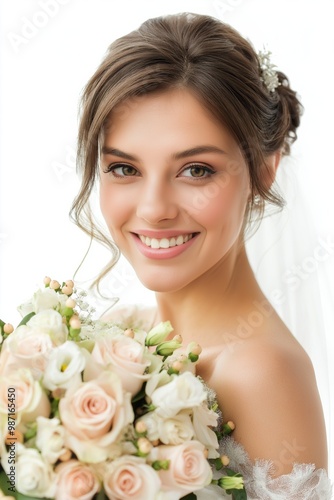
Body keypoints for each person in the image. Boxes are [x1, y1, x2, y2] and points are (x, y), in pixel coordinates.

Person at [70, 12, 332, 498]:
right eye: (125, 168)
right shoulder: (123, 333)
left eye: (195, 170)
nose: (154, 210)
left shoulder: (262, 373)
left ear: (264, 170)